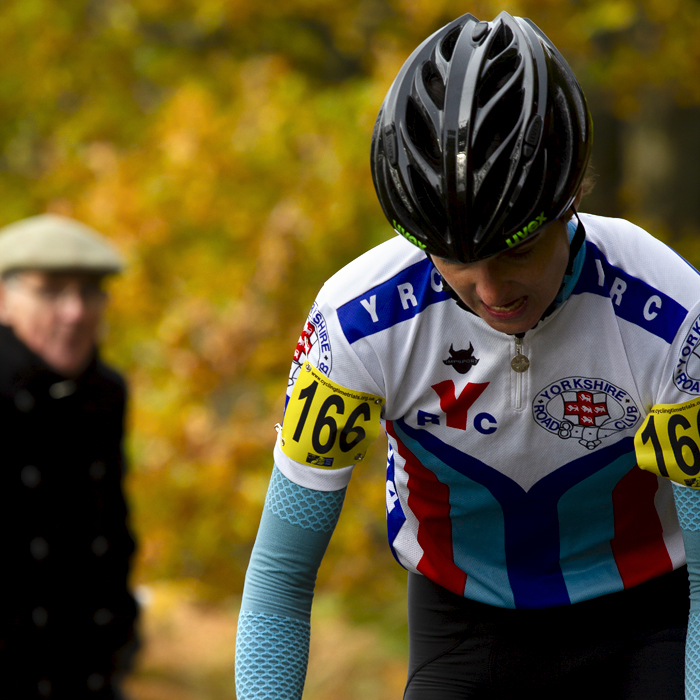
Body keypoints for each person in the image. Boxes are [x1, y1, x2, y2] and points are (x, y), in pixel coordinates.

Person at [235, 11, 700, 699]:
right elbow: (280, 579)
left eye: (517, 250)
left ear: (572, 200)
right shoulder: (356, 323)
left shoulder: (673, 314)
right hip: (465, 624)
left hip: (647, 618)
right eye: (455, 259)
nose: (490, 290)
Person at [0, 214, 139, 699]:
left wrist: (122, 641)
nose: (75, 312)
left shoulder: (104, 392)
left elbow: (110, 531)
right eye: (52, 291)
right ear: (2, 298)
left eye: (90, 292)